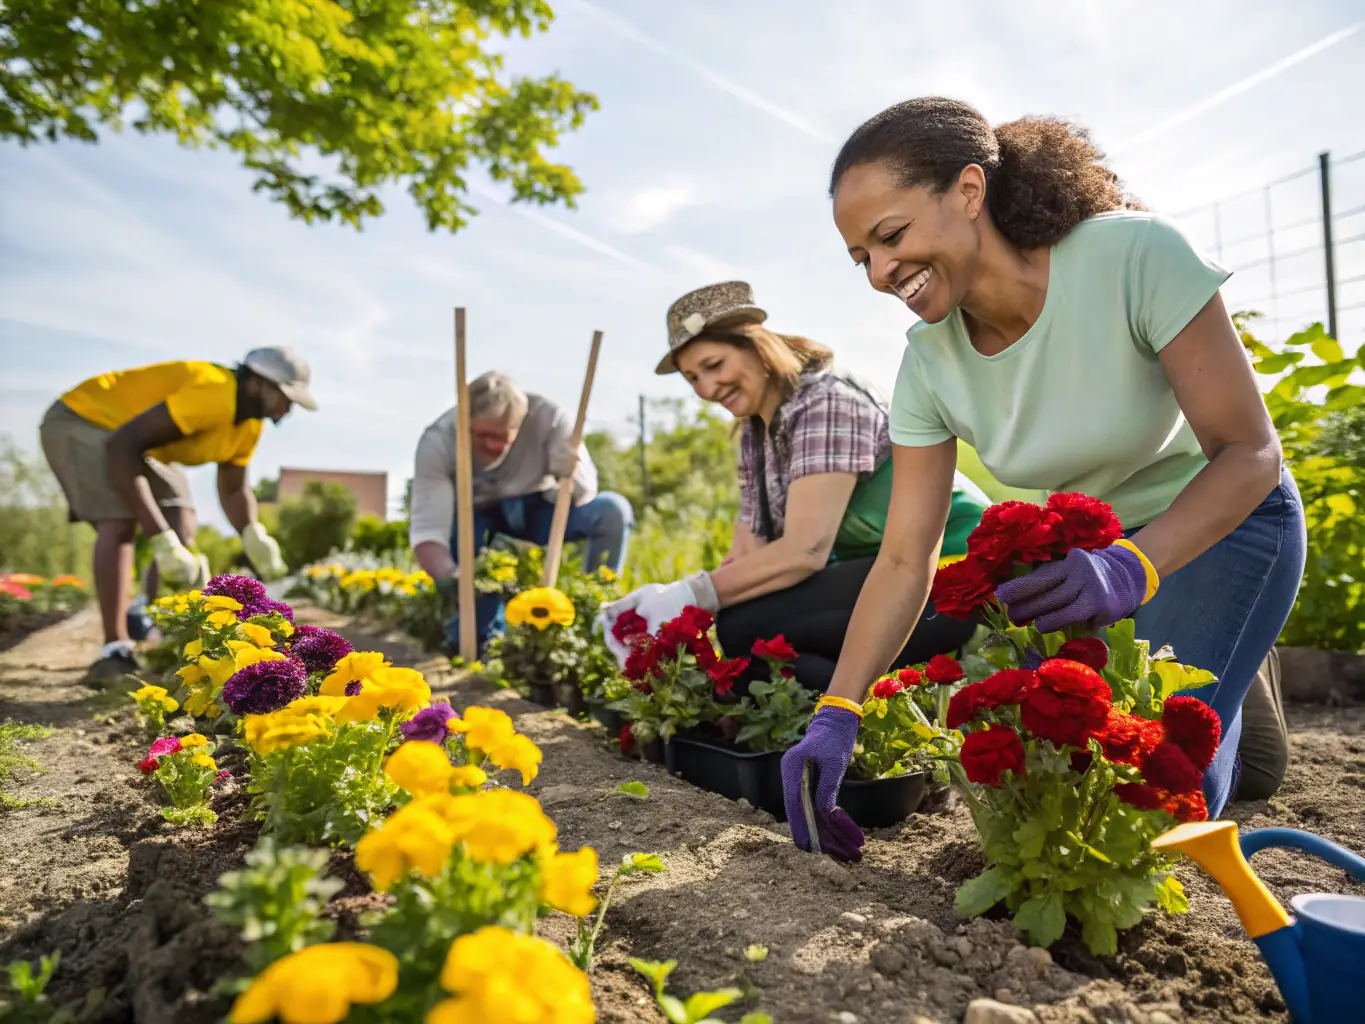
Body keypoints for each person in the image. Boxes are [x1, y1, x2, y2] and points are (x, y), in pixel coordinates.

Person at [779, 97, 1304, 859]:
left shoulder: (1132, 256)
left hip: (1224, 520)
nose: (880, 272)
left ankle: (1222, 627)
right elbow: (903, 558)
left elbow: (1249, 452)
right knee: (1031, 786)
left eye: (889, 237)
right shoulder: (929, 363)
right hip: (1090, 560)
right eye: (861, 256)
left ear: (967, 191)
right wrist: (837, 709)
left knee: (1140, 804)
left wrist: (1136, 564)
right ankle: (1228, 673)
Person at [598, 281, 990, 693]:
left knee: (750, 629)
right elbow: (749, 553)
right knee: (747, 632)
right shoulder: (756, 431)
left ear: (757, 344)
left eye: (714, 365)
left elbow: (806, 550)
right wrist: (666, 610)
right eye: (692, 377)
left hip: (948, 571)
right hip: (883, 568)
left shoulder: (825, 401)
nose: (706, 390)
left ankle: (854, 712)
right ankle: (864, 704)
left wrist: (692, 593)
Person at [40, 348, 313, 679]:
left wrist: (252, 532)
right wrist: (158, 537)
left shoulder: (248, 427)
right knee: (120, 523)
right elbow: (122, 446)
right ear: (259, 384)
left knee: (181, 520)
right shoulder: (213, 392)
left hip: (133, 440)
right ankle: (115, 649)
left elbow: (232, 489)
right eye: (286, 397)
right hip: (84, 419)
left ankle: (154, 620)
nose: (288, 409)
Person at [408, 370, 633, 649]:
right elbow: (429, 530)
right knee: (469, 636)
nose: (492, 445)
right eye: (482, 435)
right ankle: (479, 639)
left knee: (612, 511)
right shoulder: (439, 441)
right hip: (473, 516)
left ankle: (598, 617)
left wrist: (572, 472)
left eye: (503, 436)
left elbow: (583, 493)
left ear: (520, 423)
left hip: (537, 507)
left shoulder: (548, 417)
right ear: (464, 421)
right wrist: (453, 580)